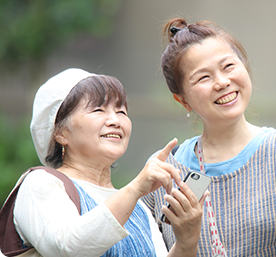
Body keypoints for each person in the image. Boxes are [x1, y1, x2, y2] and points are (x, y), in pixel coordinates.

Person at [141, 18, 276, 256]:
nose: (222, 82)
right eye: (203, 77)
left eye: (228, 66)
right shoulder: (164, 171)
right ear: (182, 99)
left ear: (245, 67)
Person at [12, 68, 207, 257]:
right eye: (98, 110)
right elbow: (68, 249)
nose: (115, 120)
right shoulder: (40, 183)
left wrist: (186, 241)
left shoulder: (139, 209)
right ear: (60, 132)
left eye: (121, 111)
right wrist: (136, 188)